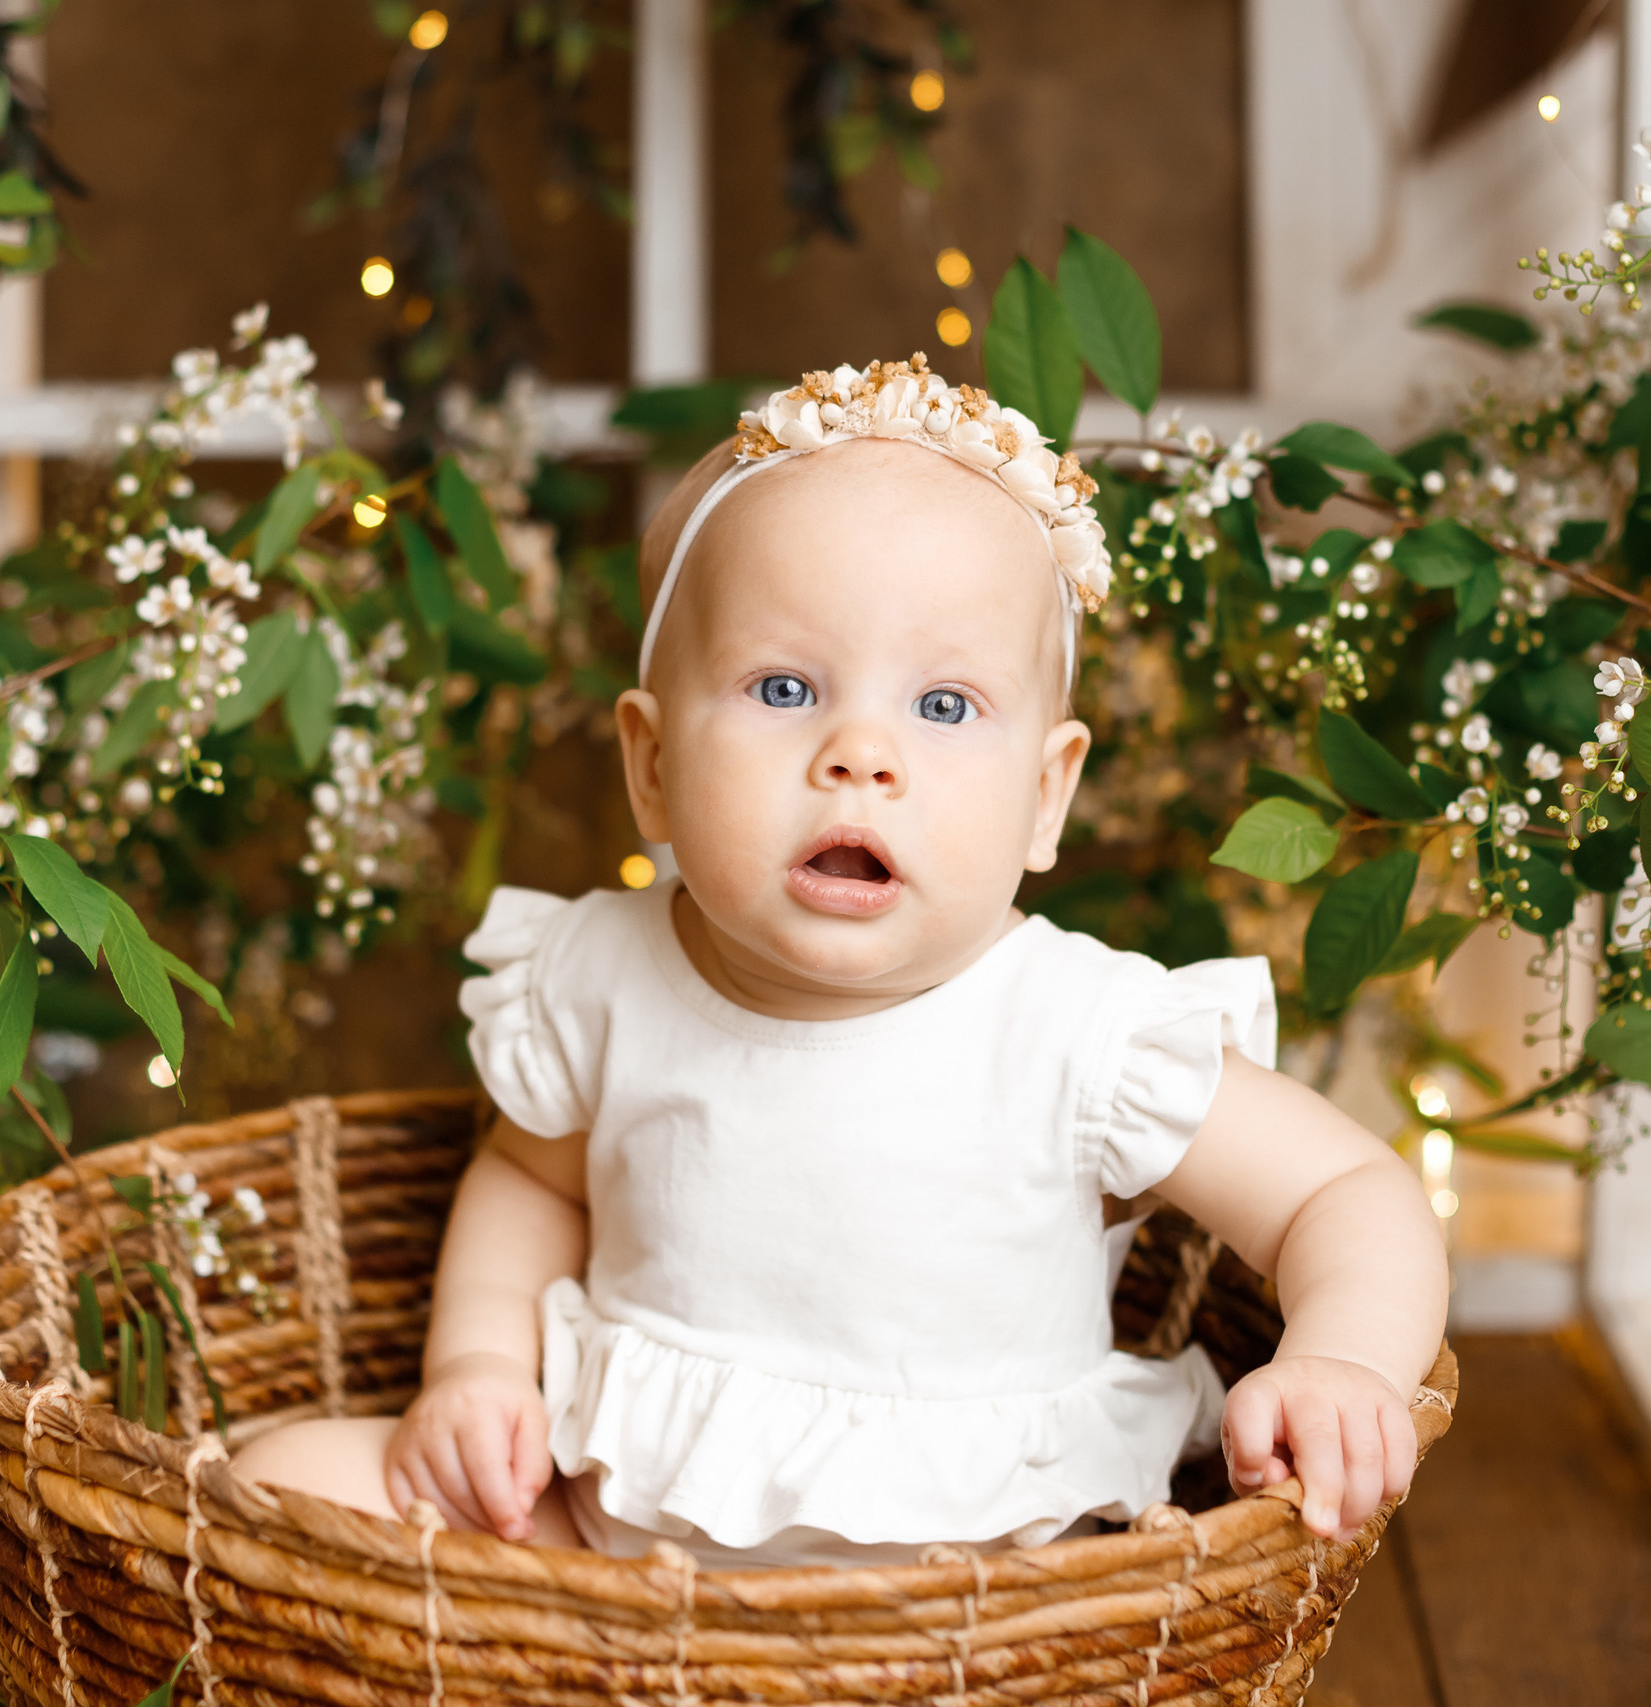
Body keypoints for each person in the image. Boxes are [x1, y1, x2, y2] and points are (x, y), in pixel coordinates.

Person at [235, 356, 1449, 1567]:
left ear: (1044, 795)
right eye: (781, 686)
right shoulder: (602, 971)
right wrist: (479, 1373)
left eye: (944, 706)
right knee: (282, 1486)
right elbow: (530, 1182)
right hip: (601, 1548)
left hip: (981, 1609)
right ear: (650, 767)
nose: (859, 752)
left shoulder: (1078, 1032)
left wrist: (1342, 1362)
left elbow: (1341, 1193)